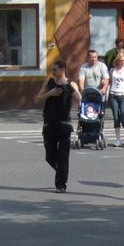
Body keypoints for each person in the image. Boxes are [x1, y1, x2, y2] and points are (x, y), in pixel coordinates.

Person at [37, 57, 77, 192]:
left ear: (62, 69)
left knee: (63, 155)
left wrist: (68, 85)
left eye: (55, 69)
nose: (53, 72)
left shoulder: (71, 83)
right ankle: (61, 171)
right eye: (52, 70)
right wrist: (49, 93)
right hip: (49, 122)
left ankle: (61, 185)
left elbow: (79, 98)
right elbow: (37, 99)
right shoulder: (48, 82)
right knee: (49, 156)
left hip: (64, 124)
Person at [107, 48, 124, 144]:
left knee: (123, 116)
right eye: (121, 60)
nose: (123, 62)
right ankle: (118, 139)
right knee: (116, 117)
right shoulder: (112, 70)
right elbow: (110, 82)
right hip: (113, 95)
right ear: (117, 60)